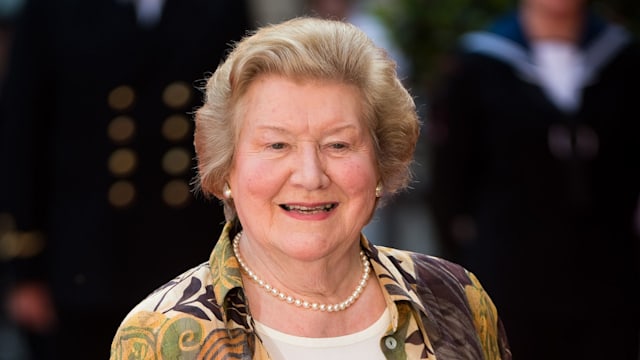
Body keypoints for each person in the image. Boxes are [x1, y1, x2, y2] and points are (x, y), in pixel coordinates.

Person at [109, 17, 511, 359]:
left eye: (338, 144)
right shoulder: (161, 336)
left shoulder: (458, 299)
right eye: (276, 145)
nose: (310, 176)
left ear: (381, 163)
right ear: (226, 167)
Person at [0, 0, 250, 358]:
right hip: (82, 261)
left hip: (187, 252)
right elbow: (21, 138)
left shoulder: (218, 7)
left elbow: (237, 126)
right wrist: (24, 271)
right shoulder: (50, 9)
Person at [426, 0, 640, 358]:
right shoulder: (479, 64)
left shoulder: (623, 60)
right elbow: (450, 185)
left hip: (606, 283)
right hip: (509, 280)